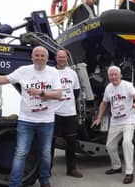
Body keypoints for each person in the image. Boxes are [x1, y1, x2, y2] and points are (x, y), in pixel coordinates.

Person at [0, 46, 62, 187]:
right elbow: (4, 79)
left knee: (45, 153)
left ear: (46, 58)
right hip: (26, 120)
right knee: (21, 153)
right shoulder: (23, 71)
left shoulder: (53, 73)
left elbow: (58, 94)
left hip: (46, 121)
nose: (39, 58)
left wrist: (41, 93)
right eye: (36, 55)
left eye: (42, 56)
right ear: (32, 57)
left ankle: (44, 180)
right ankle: (14, 184)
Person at [91, 65, 135, 184]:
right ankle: (116, 167)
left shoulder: (127, 85)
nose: (113, 77)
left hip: (128, 120)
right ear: (109, 76)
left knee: (126, 143)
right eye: (111, 75)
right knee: (110, 146)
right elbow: (104, 103)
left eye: (115, 74)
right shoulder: (108, 88)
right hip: (115, 121)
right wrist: (99, 117)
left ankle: (129, 172)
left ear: (120, 75)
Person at [51, 50, 83, 178]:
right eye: (59, 57)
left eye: (63, 57)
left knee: (71, 143)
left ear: (66, 59)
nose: (62, 59)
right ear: (56, 58)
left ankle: (71, 169)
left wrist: (66, 102)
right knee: (50, 143)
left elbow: (76, 92)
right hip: (54, 113)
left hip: (70, 113)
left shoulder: (72, 73)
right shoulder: (50, 72)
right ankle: (47, 170)